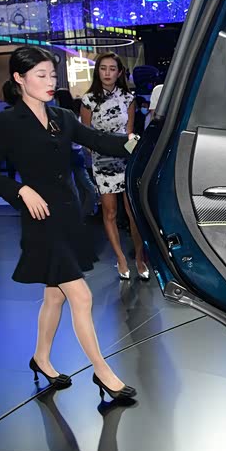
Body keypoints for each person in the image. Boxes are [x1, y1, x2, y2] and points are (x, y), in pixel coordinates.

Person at [0, 46, 137, 400]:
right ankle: (102, 372)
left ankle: (41, 358)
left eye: (52, 75)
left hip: (68, 216)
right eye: (41, 75)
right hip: (40, 221)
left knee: (54, 297)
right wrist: (21, 191)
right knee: (81, 295)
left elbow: (97, 140)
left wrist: (131, 143)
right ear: (19, 79)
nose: (50, 81)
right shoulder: (6, 122)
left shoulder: (62, 117)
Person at [80, 52, 149, 281]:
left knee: (133, 212)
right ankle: (120, 259)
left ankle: (139, 258)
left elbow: (129, 132)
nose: (107, 73)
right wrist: (98, 150)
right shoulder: (88, 100)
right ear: (97, 71)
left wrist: (131, 146)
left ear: (119, 72)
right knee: (110, 212)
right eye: (103, 68)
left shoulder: (128, 98)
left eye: (112, 69)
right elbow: (86, 136)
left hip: (126, 160)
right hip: (102, 162)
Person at [54, 88, 98, 218]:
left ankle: (84, 212)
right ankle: (83, 212)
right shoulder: (69, 115)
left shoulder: (66, 115)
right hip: (74, 152)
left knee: (83, 185)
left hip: (73, 152)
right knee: (79, 184)